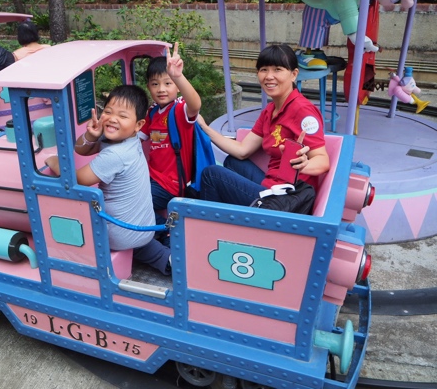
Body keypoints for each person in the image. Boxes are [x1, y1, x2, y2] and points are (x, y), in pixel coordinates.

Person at [45, 85, 171, 275]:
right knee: (140, 242)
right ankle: (167, 254)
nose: (112, 119)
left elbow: (79, 179)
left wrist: (55, 162)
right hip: (142, 225)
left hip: (120, 233)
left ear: (138, 125)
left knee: (77, 219)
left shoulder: (116, 154)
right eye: (108, 111)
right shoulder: (128, 139)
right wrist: (91, 135)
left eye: (122, 116)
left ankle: (169, 261)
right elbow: (81, 149)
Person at [197, 44, 330, 207]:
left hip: (286, 198)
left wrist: (303, 165)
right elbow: (242, 151)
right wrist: (204, 128)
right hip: (271, 185)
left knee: (211, 175)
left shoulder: (302, 110)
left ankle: (211, 220)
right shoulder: (270, 110)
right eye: (264, 69)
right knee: (233, 162)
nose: (269, 76)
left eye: (277, 69)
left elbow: (323, 161)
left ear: (294, 74)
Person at [138, 42, 201, 228]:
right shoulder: (152, 112)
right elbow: (135, 138)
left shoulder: (179, 110)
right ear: (148, 87)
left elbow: (195, 105)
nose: (161, 89)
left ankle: (166, 232)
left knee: (134, 205)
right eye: (155, 84)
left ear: (177, 87)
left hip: (171, 184)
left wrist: (178, 76)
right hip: (151, 177)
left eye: (168, 83)